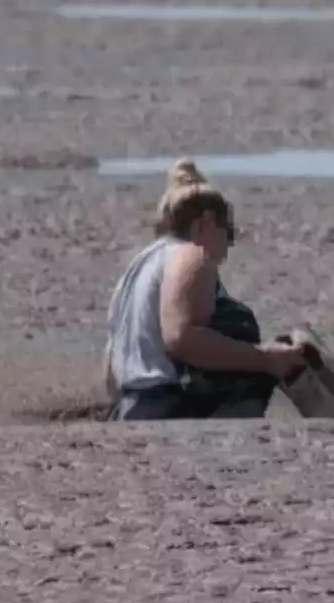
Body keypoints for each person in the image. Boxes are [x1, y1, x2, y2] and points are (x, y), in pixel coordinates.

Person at [102, 158, 309, 421]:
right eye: (229, 233)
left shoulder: (137, 268)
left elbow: (110, 366)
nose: (229, 246)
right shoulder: (192, 256)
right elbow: (181, 338)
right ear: (207, 222)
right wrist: (265, 358)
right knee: (239, 326)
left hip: (128, 407)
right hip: (168, 407)